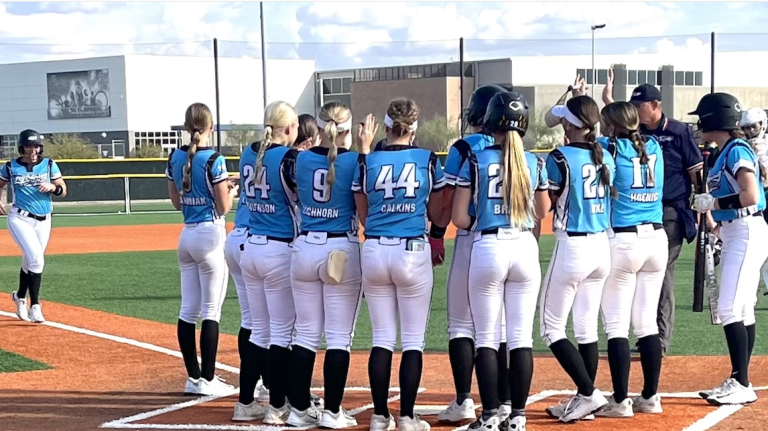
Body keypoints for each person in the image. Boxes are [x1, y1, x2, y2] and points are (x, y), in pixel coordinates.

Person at [451, 91, 550, 431]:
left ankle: (490, 414)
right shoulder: (534, 162)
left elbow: (459, 218)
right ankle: (518, 415)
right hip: (524, 246)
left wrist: (482, 218)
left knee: (487, 338)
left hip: (489, 246)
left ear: (490, 122)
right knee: (520, 337)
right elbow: (543, 212)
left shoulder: (475, 160)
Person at [352, 98, 449, 431]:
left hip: (375, 249)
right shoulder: (427, 159)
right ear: (414, 128)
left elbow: (363, 214)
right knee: (412, 341)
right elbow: (437, 213)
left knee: (381, 338)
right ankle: (407, 416)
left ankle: (380, 416)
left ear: (386, 126)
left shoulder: (368, 161)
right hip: (412, 249)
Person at [285, 102, 377, 428]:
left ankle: (298, 410)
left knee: (306, 334)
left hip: (305, 246)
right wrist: (365, 150)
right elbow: (366, 205)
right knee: (338, 338)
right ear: (348, 130)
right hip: (340, 248)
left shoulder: (299, 159)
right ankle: (333, 411)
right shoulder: (356, 161)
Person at [604, 78, 703, 355]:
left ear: (655, 105)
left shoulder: (678, 132)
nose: (635, 110)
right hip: (645, 213)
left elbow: (696, 172)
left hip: (670, 211)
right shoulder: (639, 136)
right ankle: (645, 333)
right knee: (640, 275)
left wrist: (703, 209)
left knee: (662, 276)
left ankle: (659, 337)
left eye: (640, 105)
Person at [437, 84, 513, 424]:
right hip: (513, 237)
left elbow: (448, 199)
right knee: (503, 326)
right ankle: (506, 400)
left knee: (461, 324)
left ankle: (464, 399)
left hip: (473, 237)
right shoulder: (517, 146)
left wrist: (437, 234)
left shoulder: (464, 147)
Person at [541, 95, 615, 423]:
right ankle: (585, 399)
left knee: (551, 329)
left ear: (570, 125)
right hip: (601, 245)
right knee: (586, 328)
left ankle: (588, 392)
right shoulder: (605, 154)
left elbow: (545, 206)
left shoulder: (559, 156)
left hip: (573, 245)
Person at [691, 93, 768, 405]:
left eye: (703, 118)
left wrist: (713, 203)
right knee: (743, 307)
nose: (699, 124)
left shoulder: (735, 149)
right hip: (738, 230)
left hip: (747, 228)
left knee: (729, 309)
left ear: (715, 119)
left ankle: (741, 382)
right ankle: (740, 378)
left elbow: (750, 196)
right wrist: (716, 223)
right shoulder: (724, 151)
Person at [593, 102, 667, 418]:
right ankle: (650, 396)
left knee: (616, 325)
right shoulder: (653, 146)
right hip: (656, 238)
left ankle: (621, 400)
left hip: (624, 240)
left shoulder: (608, 146)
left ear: (611, 126)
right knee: (646, 322)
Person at [166, 103, 238, 396]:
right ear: (211, 127)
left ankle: (193, 377)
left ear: (186, 127)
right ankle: (207, 378)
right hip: (210, 235)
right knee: (211, 311)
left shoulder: (175, 156)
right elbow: (223, 207)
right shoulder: (214, 159)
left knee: (188, 310)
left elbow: (176, 202)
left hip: (187, 235)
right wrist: (231, 191)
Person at [238, 100, 302, 424]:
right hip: (279, 249)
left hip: (251, 245)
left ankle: (245, 402)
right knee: (281, 334)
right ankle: (277, 406)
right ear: (289, 128)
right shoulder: (289, 158)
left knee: (259, 332)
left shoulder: (248, 152)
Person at [2, 130, 67, 324]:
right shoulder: (11, 166)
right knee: (37, 260)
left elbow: (63, 189)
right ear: (22, 148)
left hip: (44, 219)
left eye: (36, 146)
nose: (33, 150)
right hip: (20, 218)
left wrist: (53, 187)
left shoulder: (49, 164)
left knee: (30, 259)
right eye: (29, 146)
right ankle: (36, 305)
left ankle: (20, 296)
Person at [228, 185, 270, 421]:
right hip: (261, 237)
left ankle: (253, 393)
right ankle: (275, 387)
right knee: (279, 326)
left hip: (238, 237)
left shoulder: (250, 162)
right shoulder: (284, 163)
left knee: (251, 322)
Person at [739, 107, 768, 293]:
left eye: (753, 127)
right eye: (746, 128)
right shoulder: (741, 147)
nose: (750, 131)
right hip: (755, 201)